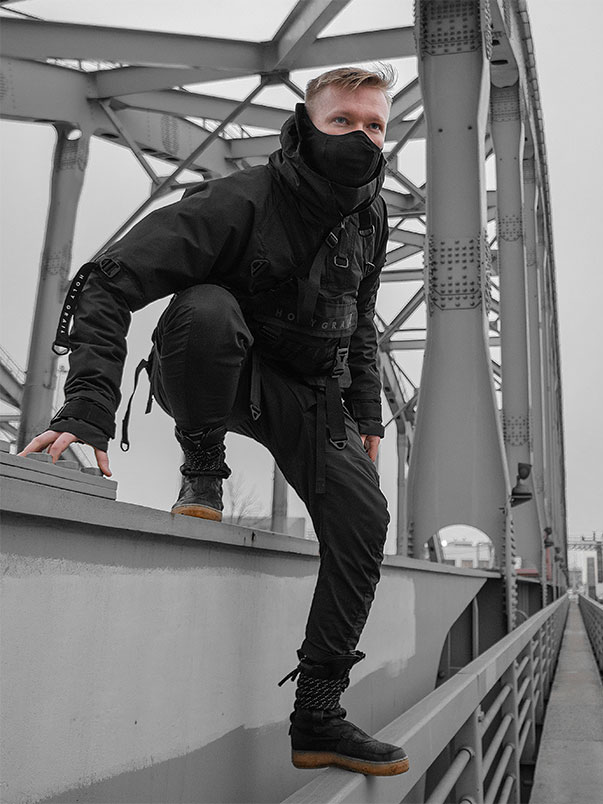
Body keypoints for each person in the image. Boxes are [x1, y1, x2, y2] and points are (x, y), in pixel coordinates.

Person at [20, 66, 409, 777]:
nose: (361, 138)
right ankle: (202, 463)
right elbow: (107, 281)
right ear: (307, 121)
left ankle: (319, 715)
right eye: (343, 122)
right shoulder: (239, 201)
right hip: (212, 368)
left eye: (374, 125)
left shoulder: (372, 214)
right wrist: (89, 405)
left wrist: (366, 409)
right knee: (204, 307)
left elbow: (360, 321)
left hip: (308, 394)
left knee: (364, 522)